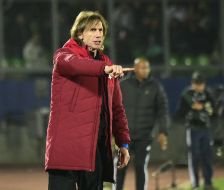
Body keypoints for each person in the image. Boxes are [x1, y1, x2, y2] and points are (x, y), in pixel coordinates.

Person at [45, 11, 133, 190]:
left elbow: (117, 108)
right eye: (93, 29)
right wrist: (105, 68)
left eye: (101, 30)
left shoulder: (106, 64)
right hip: (67, 151)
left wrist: (123, 143)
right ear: (79, 33)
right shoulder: (63, 56)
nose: (99, 34)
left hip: (95, 152)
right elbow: (75, 64)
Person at [115, 57, 170, 190]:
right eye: (142, 67)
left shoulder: (155, 86)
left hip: (144, 135)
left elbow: (162, 110)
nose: (146, 70)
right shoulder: (123, 84)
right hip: (124, 136)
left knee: (140, 166)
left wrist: (163, 131)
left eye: (147, 67)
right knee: (121, 165)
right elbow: (114, 108)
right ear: (135, 68)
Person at [178, 71, 216, 190]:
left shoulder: (208, 94)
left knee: (207, 156)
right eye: (197, 83)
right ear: (193, 83)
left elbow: (214, 110)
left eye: (201, 84)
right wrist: (191, 109)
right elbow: (180, 112)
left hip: (205, 129)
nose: (199, 86)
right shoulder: (186, 94)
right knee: (194, 156)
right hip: (193, 129)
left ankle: (208, 183)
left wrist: (208, 108)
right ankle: (195, 184)